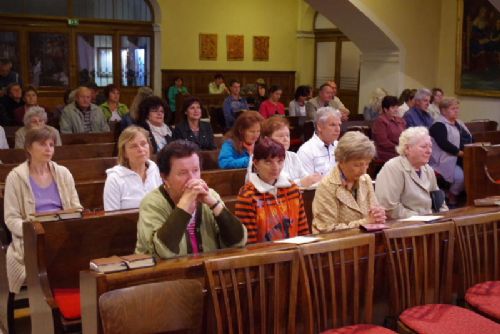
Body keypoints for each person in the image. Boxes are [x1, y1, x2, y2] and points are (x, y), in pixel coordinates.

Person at [135, 140, 247, 259]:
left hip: (209, 271)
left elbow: (239, 242)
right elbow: (164, 252)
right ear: (164, 178)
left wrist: (213, 203)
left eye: (195, 170)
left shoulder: (211, 195)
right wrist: (184, 204)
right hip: (166, 275)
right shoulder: (151, 203)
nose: (192, 179)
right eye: (182, 173)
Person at [4, 126, 82, 293]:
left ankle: (77, 297)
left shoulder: (63, 173)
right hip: (32, 236)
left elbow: (77, 208)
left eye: (51, 144)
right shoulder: (15, 177)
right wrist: (33, 230)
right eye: (42, 144)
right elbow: (11, 218)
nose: (48, 149)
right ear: (28, 148)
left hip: (63, 231)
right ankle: (51, 300)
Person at [235, 137, 309, 243]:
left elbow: (303, 230)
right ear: (256, 163)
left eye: (280, 161)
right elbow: (249, 242)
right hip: (263, 256)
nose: (276, 167)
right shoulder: (248, 195)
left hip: (295, 254)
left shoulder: (292, 189)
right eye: (268, 162)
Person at [312, 131, 385, 232]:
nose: (364, 170)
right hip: (337, 246)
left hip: (366, 243)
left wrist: (378, 216)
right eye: (357, 165)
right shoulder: (327, 186)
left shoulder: (366, 179)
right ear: (341, 161)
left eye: (367, 164)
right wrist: (364, 222)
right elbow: (325, 229)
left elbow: (373, 215)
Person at [375, 127, 448, 219]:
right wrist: (421, 218)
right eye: (423, 147)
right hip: (404, 228)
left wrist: (445, 218)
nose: (429, 151)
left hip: (429, 224)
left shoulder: (428, 170)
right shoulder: (393, 168)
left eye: (430, 146)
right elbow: (389, 207)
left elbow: (439, 202)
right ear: (407, 149)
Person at [103, 126, 162, 211]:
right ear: (124, 153)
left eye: (143, 144)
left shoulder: (154, 169)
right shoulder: (114, 179)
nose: (141, 149)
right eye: (134, 146)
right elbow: (111, 218)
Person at [429, 97, 472, 206]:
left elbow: (469, 137)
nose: (457, 111)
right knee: (460, 177)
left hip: (462, 157)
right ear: (443, 111)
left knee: (474, 173)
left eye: (457, 108)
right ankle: (452, 195)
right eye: (453, 109)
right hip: (444, 159)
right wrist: (461, 153)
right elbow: (444, 144)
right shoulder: (438, 125)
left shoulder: (459, 123)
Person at [259, 117, 321, 187]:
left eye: (287, 135)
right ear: (267, 139)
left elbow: (304, 176)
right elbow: (277, 184)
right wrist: (301, 182)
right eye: (280, 136)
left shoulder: (293, 156)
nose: (286, 139)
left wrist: (312, 179)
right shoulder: (262, 159)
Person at [297, 107, 341, 176]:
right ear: (319, 127)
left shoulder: (340, 146)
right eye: (333, 125)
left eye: (339, 125)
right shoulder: (306, 151)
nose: (338, 129)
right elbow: (307, 183)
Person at [371, 95, 406, 163]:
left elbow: (406, 135)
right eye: (393, 107)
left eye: (397, 107)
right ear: (385, 109)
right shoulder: (380, 121)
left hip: (400, 150)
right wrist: (398, 148)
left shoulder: (400, 120)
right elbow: (383, 142)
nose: (396, 110)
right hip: (387, 153)